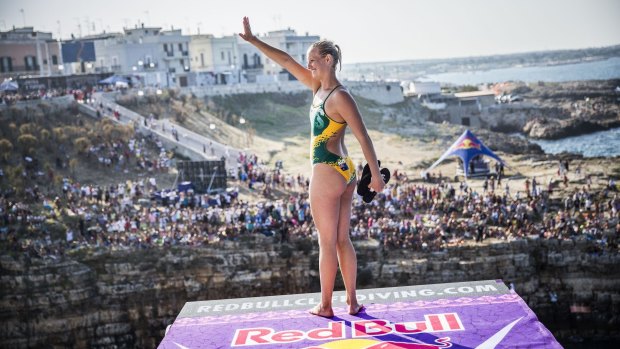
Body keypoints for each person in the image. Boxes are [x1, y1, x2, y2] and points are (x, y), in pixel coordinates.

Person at [239, 16, 385, 318]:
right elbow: (286, 61)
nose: (309, 66)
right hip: (345, 171)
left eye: (314, 61)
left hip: (327, 172)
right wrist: (254, 41)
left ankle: (326, 305)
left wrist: (378, 178)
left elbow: (364, 136)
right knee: (343, 239)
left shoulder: (339, 96)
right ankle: (353, 302)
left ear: (328, 60)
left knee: (327, 242)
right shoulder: (320, 88)